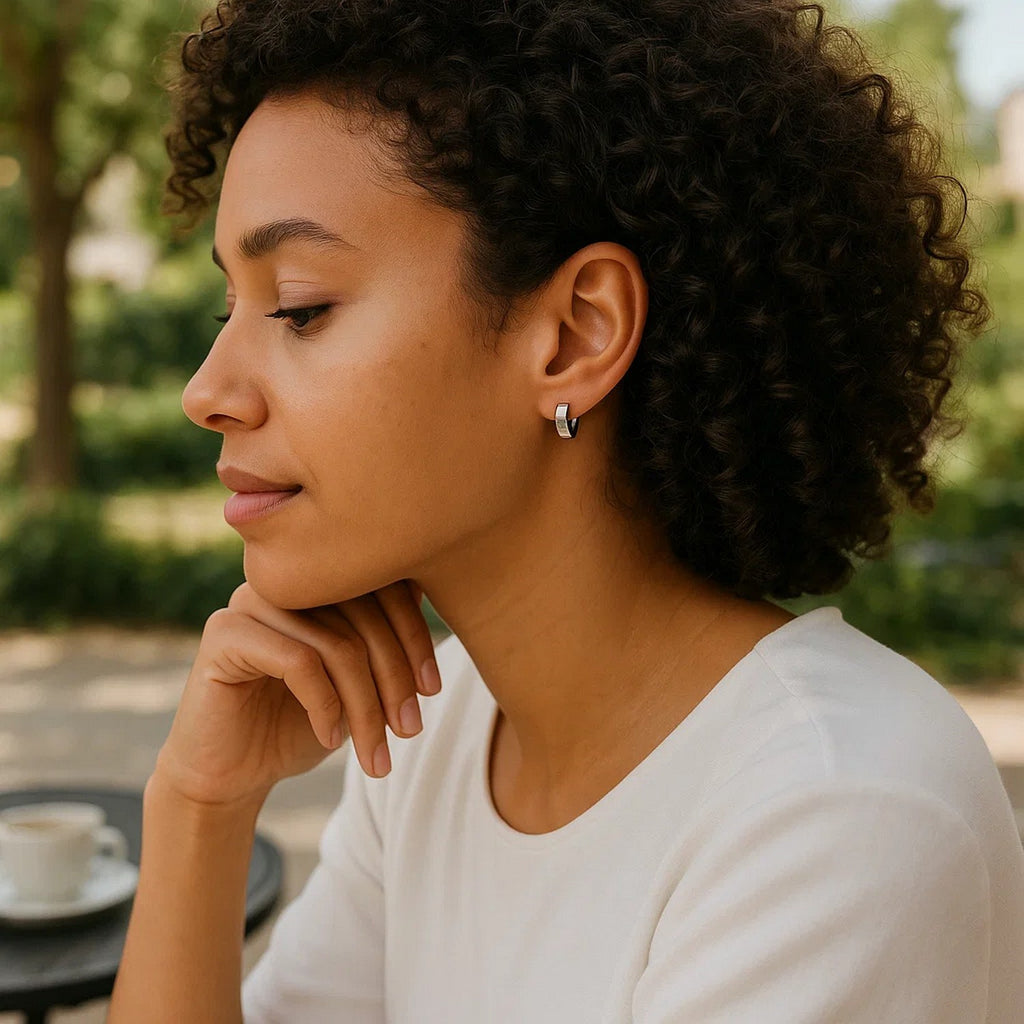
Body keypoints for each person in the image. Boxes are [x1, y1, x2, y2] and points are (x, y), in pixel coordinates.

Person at [108, 1, 1024, 1021]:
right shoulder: (428, 729)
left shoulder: (840, 813)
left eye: (299, 307)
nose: (207, 389)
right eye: (225, 308)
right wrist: (199, 807)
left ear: (576, 334)